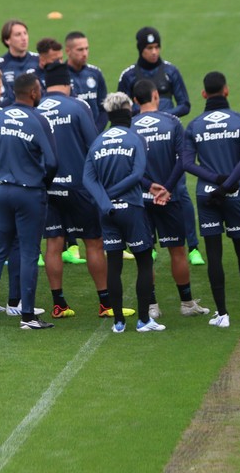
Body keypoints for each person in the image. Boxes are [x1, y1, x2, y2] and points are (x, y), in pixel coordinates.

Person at [183, 72, 240, 329]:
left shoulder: (194, 125)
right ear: (226, 90)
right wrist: (226, 184)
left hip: (207, 196)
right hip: (234, 195)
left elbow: (187, 163)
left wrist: (215, 180)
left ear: (204, 94)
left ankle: (222, 315)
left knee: (214, 256)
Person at [36, 62, 118, 319]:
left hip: (48, 187)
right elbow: (94, 145)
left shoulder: (35, 110)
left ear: (44, 86)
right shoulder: (78, 106)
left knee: (53, 243)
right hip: (78, 186)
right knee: (94, 243)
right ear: (68, 83)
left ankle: (58, 304)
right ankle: (105, 304)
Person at [0, 73, 57, 330]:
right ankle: (28, 316)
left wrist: (2, 168)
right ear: (33, 93)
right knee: (29, 252)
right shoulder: (38, 119)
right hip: (29, 192)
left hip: (2, 190)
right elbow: (53, 161)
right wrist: (42, 180)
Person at [117, 26, 203, 266]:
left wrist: (164, 116)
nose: (154, 52)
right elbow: (122, 108)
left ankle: (193, 246)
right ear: (140, 49)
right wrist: (144, 118)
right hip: (141, 141)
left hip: (166, 139)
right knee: (142, 193)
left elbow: (185, 104)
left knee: (181, 193)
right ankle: (149, 245)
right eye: (149, 48)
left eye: (157, 47)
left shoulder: (171, 71)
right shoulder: (128, 76)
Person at [83, 92, 165, 334]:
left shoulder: (98, 141)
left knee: (115, 266)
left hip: (107, 213)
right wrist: (114, 195)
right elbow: (137, 174)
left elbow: (87, 179)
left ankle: (118, 322)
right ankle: (143, 320)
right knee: (144, 262)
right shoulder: (135, 138)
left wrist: (105, 201)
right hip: (132, 209)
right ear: (129, 112)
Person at [131, 79, 209, 319]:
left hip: (140, 200)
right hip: (170, 199)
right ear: (156, 96)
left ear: (135, 101)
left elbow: (128, 164)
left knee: (145, 255)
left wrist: (148, 186)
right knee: (177, 250)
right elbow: (183, 159)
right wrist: (167, 188)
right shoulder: (173, 122)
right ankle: (186, 304)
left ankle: (152, 306)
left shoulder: (130, 126)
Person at [65, 31, 108, 131]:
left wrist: (95, 131)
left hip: (94, 133)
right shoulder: (61, 76)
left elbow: (104, 108)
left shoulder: (95, 73)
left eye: (86, 49)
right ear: (68, 51)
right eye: (80, 50)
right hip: (72, 134)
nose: (84, 53)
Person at [0, 19, 40, 106]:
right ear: (7, 40)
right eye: (18, 35)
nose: (23, 38)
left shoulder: (38, 60)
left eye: (25, 33)